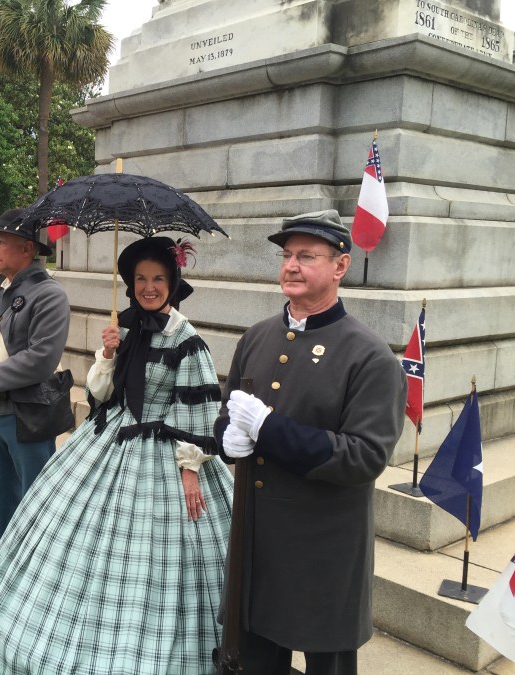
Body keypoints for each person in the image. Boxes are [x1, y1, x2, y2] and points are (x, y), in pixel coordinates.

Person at [0, 236, 234, 674]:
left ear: (173, 283)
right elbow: (100, 394)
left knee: (158, 561)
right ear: (131, 285)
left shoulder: (187, 341)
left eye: (158, 279)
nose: (149, 287)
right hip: (111, 438)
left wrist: (191, 470)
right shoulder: (126, 328)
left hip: (167, 455)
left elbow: (199, 409)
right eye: (141, 280)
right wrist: (109, 355)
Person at [216, 210, 407, 675]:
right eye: (286, 255)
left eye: (306, 256)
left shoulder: (370, 356)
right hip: (259, 544)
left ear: (340, 266)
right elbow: (227, 416)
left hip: (325, 549)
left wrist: (269, 429)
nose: (291, 265)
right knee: (255, 661)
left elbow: (365, 457)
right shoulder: (257, 337)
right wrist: (227, 439)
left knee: (330, 666)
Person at [0, 208, 70, 582]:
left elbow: (42, 359)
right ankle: (0, 564)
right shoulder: (1, 292)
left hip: (29, 413)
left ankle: (36, 574)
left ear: (26, 248)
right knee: (1, 493)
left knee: (35, 498)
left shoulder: (49, 295)